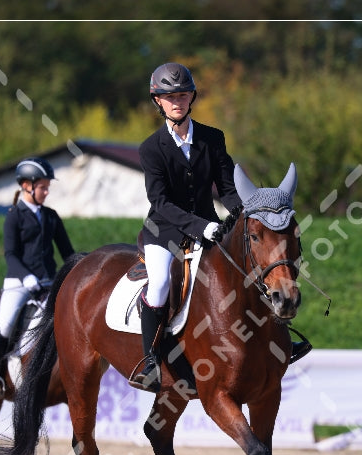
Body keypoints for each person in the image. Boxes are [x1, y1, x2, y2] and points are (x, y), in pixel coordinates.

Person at [130, 62, 310, 392]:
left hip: (211, 226)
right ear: (158, 101)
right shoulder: (151, 148)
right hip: (165, 231)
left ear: (191, 98)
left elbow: (227, 188)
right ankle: (151, 359)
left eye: (182, 95)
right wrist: (201, 225)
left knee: (251, 268)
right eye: (170, 97)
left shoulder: (213, 138)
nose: (177, 102)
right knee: (158, 284)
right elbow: (160, 202)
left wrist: (248, 214)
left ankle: (279, 339)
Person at [0, 156, 76, 399]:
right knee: (6, 323)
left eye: (48, 187)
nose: (46, 192)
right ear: (26, 185)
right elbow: (11, 253)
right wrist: (26, 277)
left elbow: (67, 253)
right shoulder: (14, 216)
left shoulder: (52, 216)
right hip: (19, 281)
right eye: (42, 187)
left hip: (49, 281)